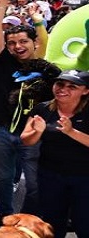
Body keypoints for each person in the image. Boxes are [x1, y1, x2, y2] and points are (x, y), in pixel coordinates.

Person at [0, 0, 53, 224]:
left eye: (23, 41)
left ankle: (26, 218)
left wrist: (37, 18)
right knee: (3, 178)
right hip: (0, 129)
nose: (17, 46)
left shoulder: (45, 65)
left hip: (32, 133)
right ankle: (5, 214)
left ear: (34, 43)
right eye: (13, 42)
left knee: (34, 182)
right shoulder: (1, 60)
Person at [20, 70, 89, 238]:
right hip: (50, 175)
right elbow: (25, 139)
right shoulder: (42, 108)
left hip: (84, 178)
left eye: (72, 86)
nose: (62, 89)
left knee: (84, 223)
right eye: (59, 84)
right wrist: (37, 132)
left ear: (85, 91)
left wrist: (71, 131)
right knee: (53, 222)